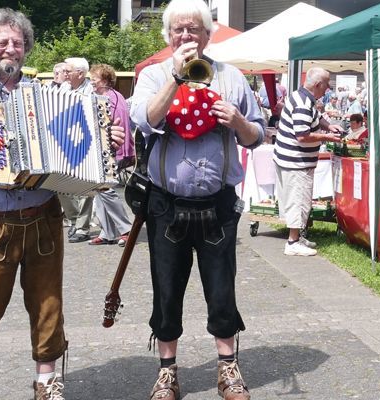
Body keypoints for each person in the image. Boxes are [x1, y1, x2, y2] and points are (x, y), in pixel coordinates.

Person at [0, 9, 125, 399]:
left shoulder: (40, 93)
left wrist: (105, 141)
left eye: (17, 42)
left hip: (43, 217)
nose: (10, 48)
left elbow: (81, 147)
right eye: (2, 42)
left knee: (48, 305)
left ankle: (46, 381)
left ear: (26, 49)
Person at [129, 0, 265, 398]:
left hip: (218, 204)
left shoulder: (232, 77)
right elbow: (145, 120)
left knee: (222, 289)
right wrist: (174, 76)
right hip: (166, 205)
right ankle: (167, 371)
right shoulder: (153, 75)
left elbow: (257, 136)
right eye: (178, 30)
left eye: (194, 30)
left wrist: (237, 120)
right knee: (166, 289)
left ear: (208, 35)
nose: (186, 36)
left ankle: (227, 369)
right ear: (168, 36)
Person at [274, 67, 342, 258]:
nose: (328, 88)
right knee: (298, 200)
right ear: (318, 85)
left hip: (293, 160)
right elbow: (303, 136)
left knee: (302, 199)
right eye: (327, 84)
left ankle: (299, 237)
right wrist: (328, 136)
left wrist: (329, 125)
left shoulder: (301, 97)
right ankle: (292, 242)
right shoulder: (304, 103)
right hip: (296, 161)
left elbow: (316, 117)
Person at [88, 63, 134, 246]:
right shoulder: (113, 96)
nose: (91, 80)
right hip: (113, 150)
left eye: (95, 78)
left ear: (105, 80)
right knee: (100, 187)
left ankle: (126, 228)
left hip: (114, 150)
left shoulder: (108, 98)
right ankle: (107, 232)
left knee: (105, 188)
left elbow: (107, 126)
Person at [58, 57, 95, 243]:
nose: (64, 74)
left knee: (85, 188)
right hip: (63, 141)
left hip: (86, 143)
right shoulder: (62, 89)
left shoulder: (92, 91)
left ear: (80, 74)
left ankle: (82, 227)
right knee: (60, 185)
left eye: (68, 71)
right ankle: (73, 220)